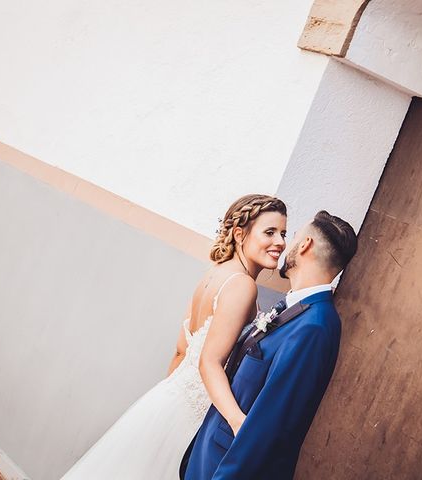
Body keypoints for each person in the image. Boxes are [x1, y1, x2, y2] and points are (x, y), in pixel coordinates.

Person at [60, 194, 287, 479]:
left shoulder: (213, 274)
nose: (280, 242)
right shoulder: (241, 285)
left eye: (283, 233)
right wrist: (237, 421)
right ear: (240, 234)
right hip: (193, 413)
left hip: (166, 402)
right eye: (270, 232)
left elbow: (182, 349)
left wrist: (168, 405)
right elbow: (209, 362)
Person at [181, 210, 357, 480]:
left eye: (294, 235)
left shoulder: (315, 327)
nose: (287, 244)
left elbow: (272, 424)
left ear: (306, 244)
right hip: (207, 458)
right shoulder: (295, 308)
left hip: (225, 468)